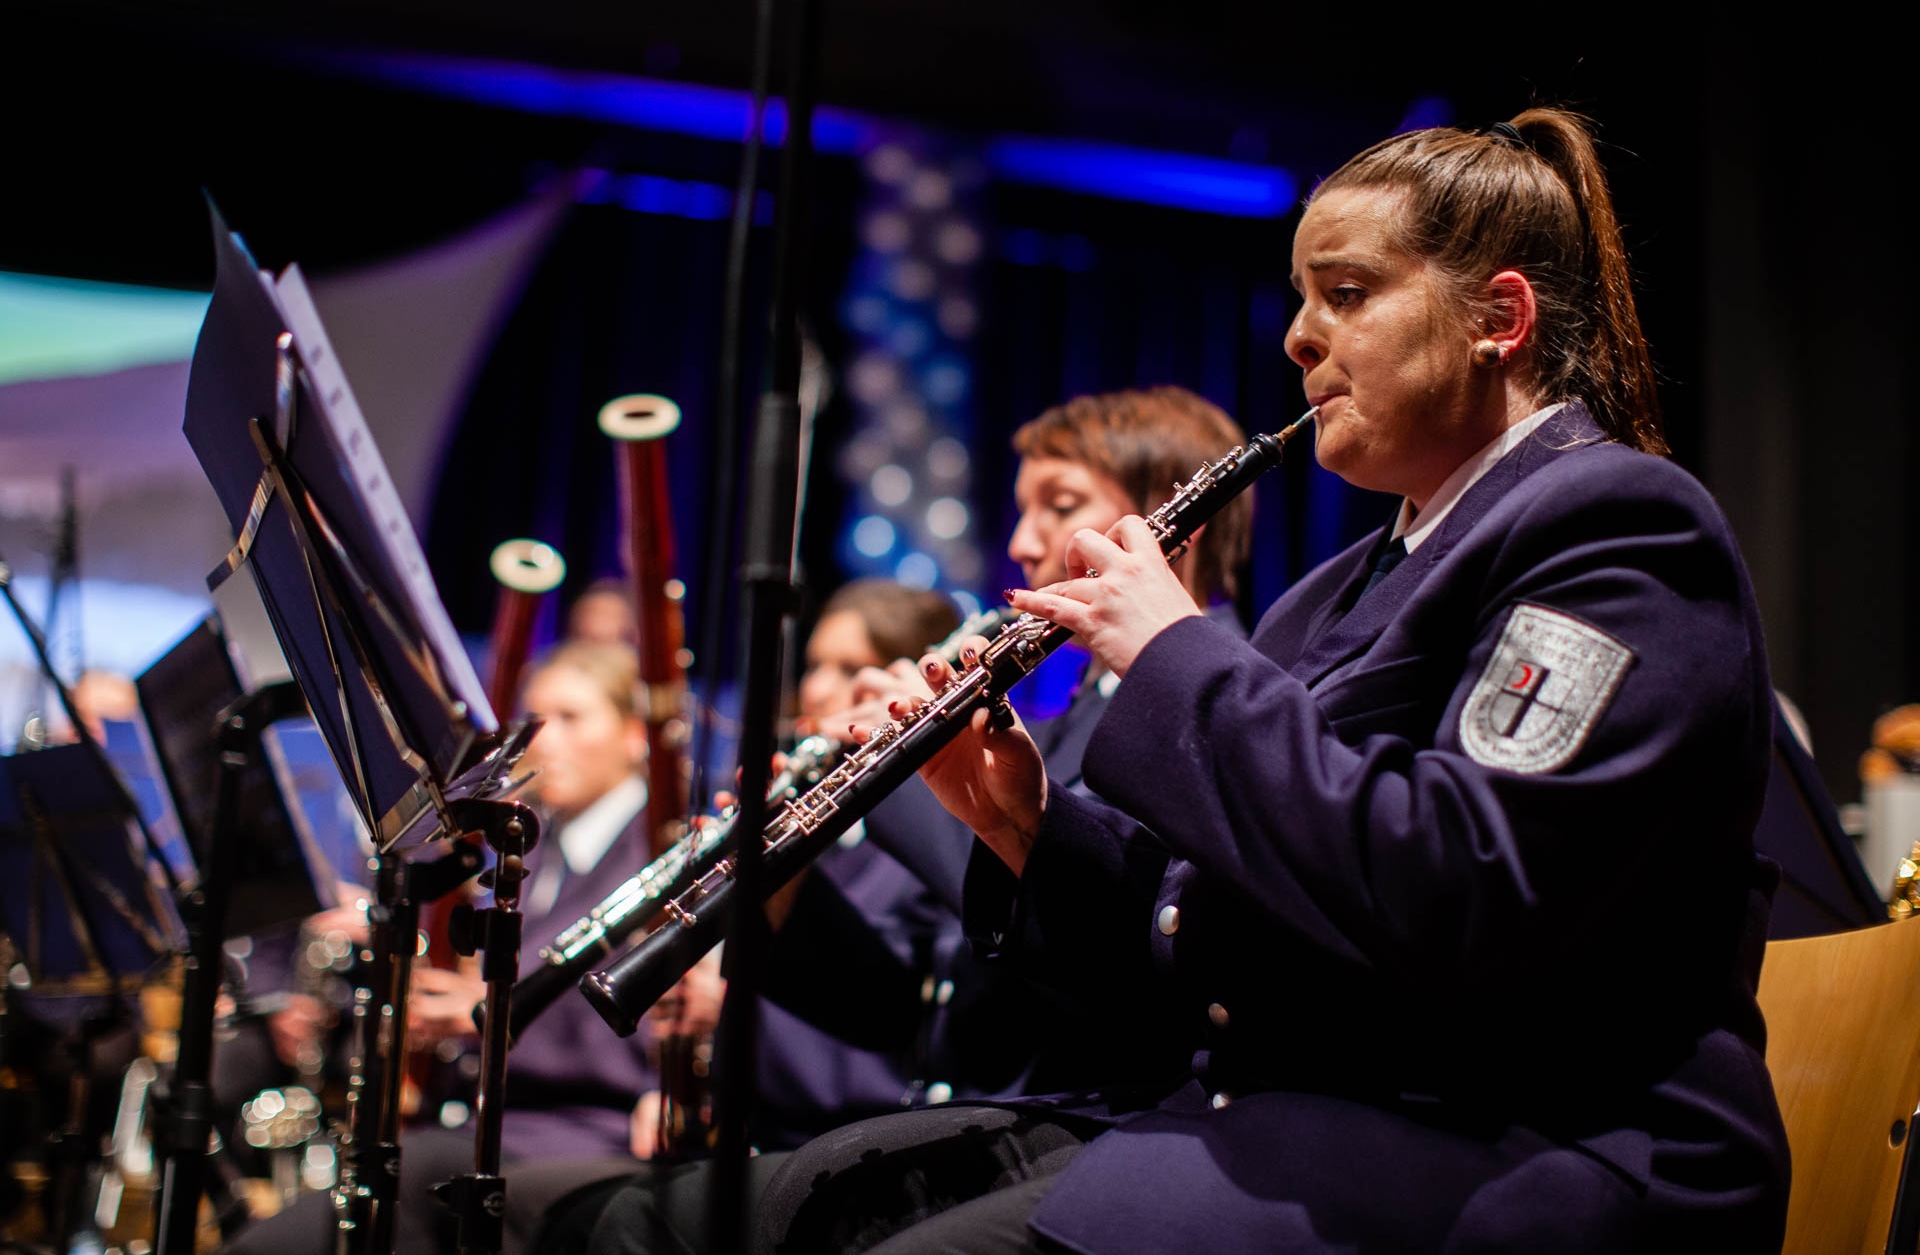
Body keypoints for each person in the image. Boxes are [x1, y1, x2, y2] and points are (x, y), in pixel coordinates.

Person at [749, 109, 1790, 1253]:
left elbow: (1464, 883)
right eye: (1302, 298)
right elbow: (1202, 932)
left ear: (1499, 319)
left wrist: (1173, 651)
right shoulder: (1333, 590)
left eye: (1346, 293)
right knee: (798, 1207)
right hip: (1325, 1121)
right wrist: (1028, 825)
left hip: (1548, 1149)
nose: (1298, 338)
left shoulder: (1618, 523)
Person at [577, 388, 1259, 1254]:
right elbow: (905, 1003)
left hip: (1116, 1121)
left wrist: (902, 767)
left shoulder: (1222, 687)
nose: (1024, 543)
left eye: (1060, 505)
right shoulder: (1065, 718)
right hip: (975, 1107)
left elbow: (1116, 952)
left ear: (1173, 514)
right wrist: (783, 889)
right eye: (1023, 510)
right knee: (624, 1215)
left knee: (650, 1223)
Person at [223, 639, 663, 1255]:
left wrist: (488, 1010)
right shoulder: (539, 844)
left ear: (635, 734)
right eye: (535, 720)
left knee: (385, 1189)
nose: (545, 741)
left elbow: (633, 1013)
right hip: (487, 1110)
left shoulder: (657, 849)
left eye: (572, 717)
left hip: (576, 1125)